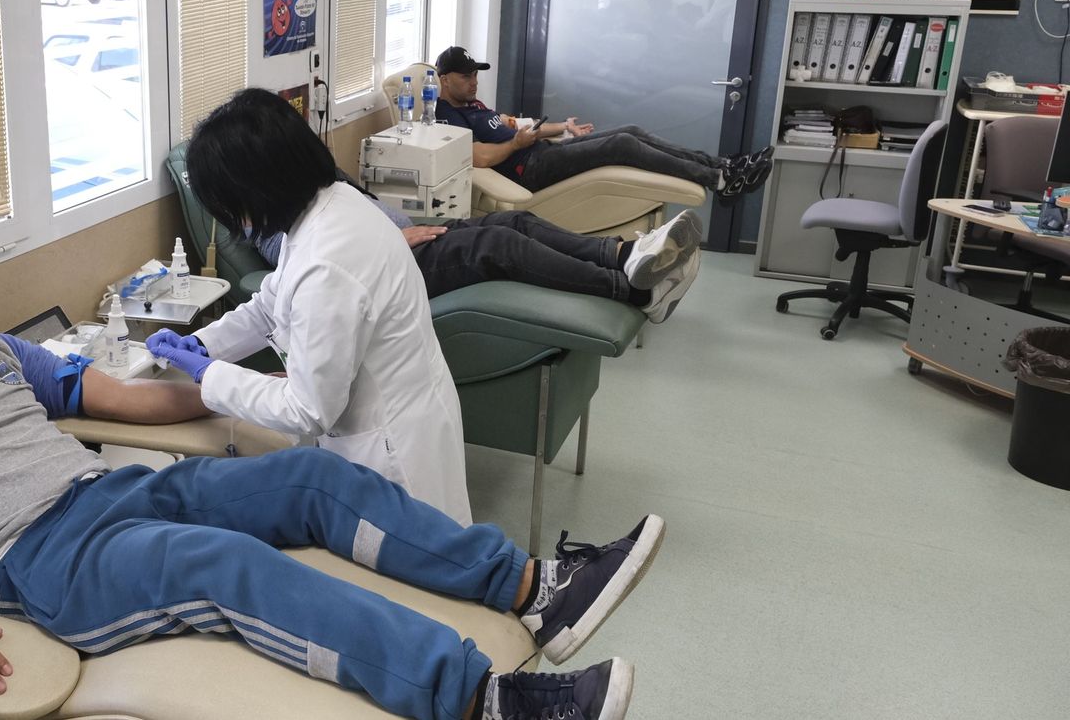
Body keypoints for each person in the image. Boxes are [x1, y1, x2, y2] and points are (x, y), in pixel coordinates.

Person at [0, 227, 667, 720]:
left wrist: (236, 386)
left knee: (306, 478)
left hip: (107, 493)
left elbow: (107, 394)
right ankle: (482, 701)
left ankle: (529, 585)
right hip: (30, 561)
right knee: (231, 570)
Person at [150, 88, 472, 522]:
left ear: (255, 187)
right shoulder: (329, 205)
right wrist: (206, 344)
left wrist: (213, 377)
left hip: (392, 448)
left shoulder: (327, 263)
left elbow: (308, 409)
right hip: (406, 412)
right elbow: (271, 302)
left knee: (416, 571)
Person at [255, 179, 703, 325]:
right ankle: (632, 291)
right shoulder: (266, 219)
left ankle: (622, 253)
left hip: (415, 236)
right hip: (393, 265)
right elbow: (308, 260)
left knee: (515, 221)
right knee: (499, 245)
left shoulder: (304, 179)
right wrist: (393, 240)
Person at [433, 47, 774, 202]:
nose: (474, 81)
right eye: (466, 77)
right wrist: (515, 145)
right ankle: (716, 179)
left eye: (476, 75)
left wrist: (563, 127)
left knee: (631, 131)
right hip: (529, 170)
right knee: (620, 147)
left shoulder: (473, 103)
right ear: (444, 80)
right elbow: (479, 157)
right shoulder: (448, 118)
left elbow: (515, 125)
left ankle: (724, 166)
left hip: (539, 151)